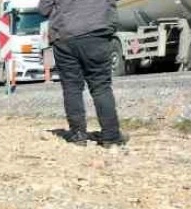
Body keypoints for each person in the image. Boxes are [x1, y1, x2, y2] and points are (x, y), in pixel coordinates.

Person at [39, 0, 128, 147]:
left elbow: (43, 9)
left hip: (65, 36)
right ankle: (111, 136)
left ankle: (78, 134)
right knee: (101, 86)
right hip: (97, 31)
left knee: (71, 87)